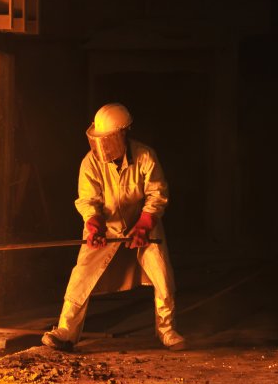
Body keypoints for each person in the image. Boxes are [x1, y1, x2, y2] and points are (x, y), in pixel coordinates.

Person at [41, 103, 186, 352]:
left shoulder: (145, 157)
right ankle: (66, 331)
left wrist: (144, 225)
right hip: (107, 227)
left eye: (108, 139)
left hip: (143, 223)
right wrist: (94, 225)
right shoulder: (90, 163)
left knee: (161, 273)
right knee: (82, 274)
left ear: (123, 134)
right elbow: (88, 200)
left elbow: (157, 194)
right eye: (99, 140)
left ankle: (167, 330)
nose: (102, 147)